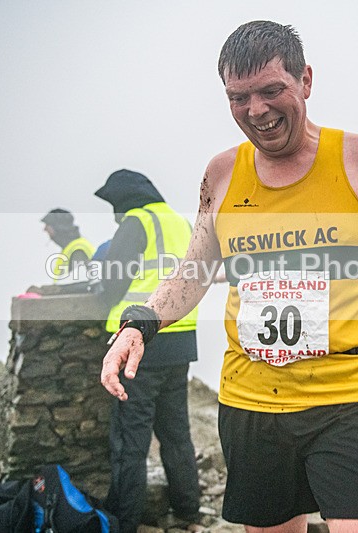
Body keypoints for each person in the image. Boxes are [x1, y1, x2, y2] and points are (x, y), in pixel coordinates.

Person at [100, 21, 358, 533]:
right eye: (238, 97)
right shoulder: (221, 174)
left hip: (352, 395)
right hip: (252, 402)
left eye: (272, 91)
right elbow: (193, 271)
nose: (256, 111)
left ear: (306, 80)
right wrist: (139, 323)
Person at [93, 169, 202, 533]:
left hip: (138, 346)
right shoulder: (180, 222)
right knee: (176, 432)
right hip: (180, 339)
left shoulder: (136, 222)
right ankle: (188, 509)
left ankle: (124, 521)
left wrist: (102, 299)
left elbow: (113, 283)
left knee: (131, 438)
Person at [41, 208, 95, 281]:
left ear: (59, 228)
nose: (44, 229)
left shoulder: (78, 250)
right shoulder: (70, 248)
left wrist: (46, 290)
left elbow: (78, 284)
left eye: (48, 225)